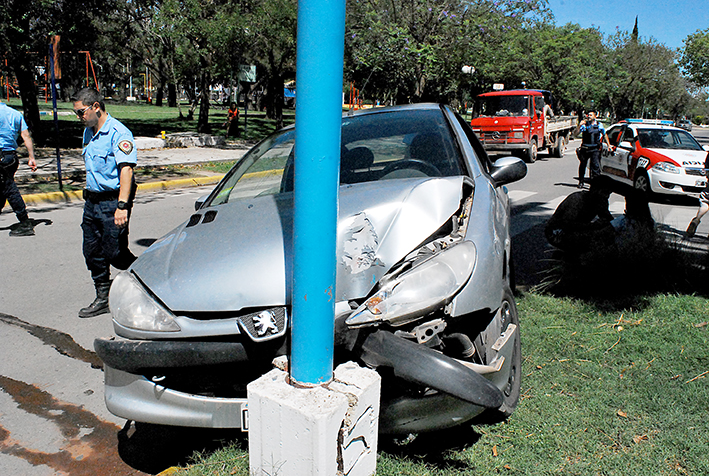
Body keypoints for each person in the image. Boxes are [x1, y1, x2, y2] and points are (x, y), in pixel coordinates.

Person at [72, 88, 138, 318]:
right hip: (92, 201)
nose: (78, 117)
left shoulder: (118, 133)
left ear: (96, 107)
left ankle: (146, 278)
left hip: (112, 202)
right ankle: (103, 296)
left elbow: (126, 171)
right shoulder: (89, 132)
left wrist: (122, 206)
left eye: (81, 112)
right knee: (91, 251)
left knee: (115, 253)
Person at [545, 177, 615, 253]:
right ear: (594, 190)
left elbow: (607, 218)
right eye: (604, 192)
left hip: (577, 229)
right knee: (589, 241)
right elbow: (567, 224)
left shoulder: (600, 201)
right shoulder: (577, 200)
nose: (606, 196)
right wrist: (592, 226)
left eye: (608, 193)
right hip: (557, 231)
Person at [1, 99, 37, 236]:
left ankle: (25, 222)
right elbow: (26, 136)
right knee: (3, 188)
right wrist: (31, 157)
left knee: (9, 188)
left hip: (1, 157)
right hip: (11, 157)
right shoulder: (15, 114)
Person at [576, 111, 611, 188]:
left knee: (595, 166)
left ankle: (595, 184)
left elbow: (605, 135)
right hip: (585, 148)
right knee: (583, 165)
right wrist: (579, 126)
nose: (589, 116)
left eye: (591, 115)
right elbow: (575, 134)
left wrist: (609, 145)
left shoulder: (599, 125)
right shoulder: (584, 125)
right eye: (588, 115)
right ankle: (581, 181)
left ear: (595, 116)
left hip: (595, 148)